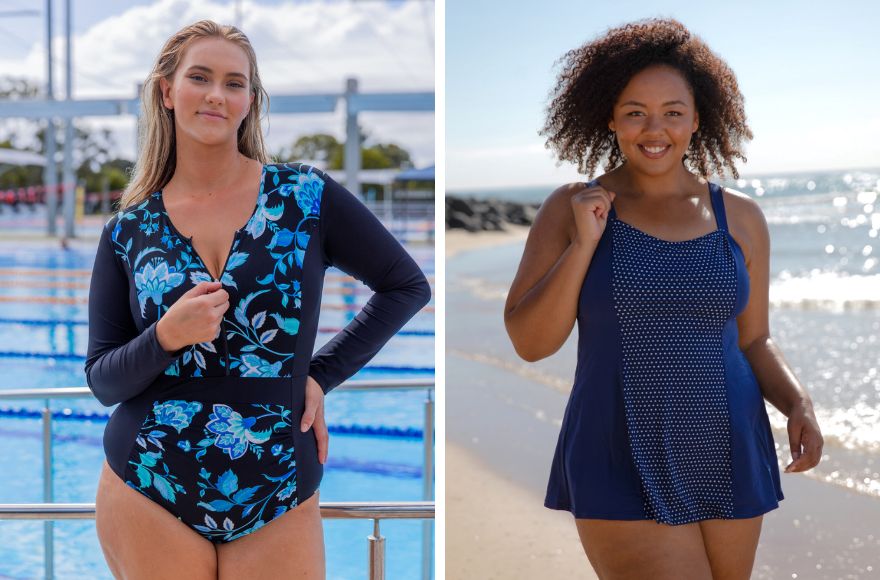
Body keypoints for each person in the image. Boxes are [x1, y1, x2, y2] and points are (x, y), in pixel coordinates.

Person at [84, 20, 431, 579]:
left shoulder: (304, 197)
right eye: (200, 77)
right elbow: (103, 381)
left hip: (277, 482)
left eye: (235, 83)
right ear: (168, 92)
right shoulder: (128, 230)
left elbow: (407, 286)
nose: (217, 95)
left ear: (250, 101)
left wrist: (319, 374)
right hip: (147, 480)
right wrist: (167, 335)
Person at [503, 18, 823, 580]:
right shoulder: (573, 206)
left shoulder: (741, 216)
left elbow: (754, 338)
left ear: (697, 119)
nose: (656, 129)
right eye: (635, 112)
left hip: (728, 445)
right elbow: (531, 343)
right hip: (617, 446)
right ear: (609, 117)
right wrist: (585, 243)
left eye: (673, 111)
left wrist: (798, 403)